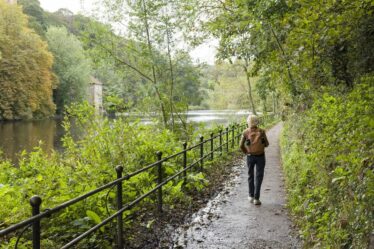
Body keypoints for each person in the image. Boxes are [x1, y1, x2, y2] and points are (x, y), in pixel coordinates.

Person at [239, 115, 269, 205]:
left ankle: (250, 196)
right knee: (259, 177)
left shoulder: (245, 132)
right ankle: (256, 198)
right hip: (260, 156)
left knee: (250, 175)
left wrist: (246, 152)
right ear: (257, 122)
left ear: (248, 122)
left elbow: (240, 145)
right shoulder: (262, 131)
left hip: (250, 156)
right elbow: (267, 144)